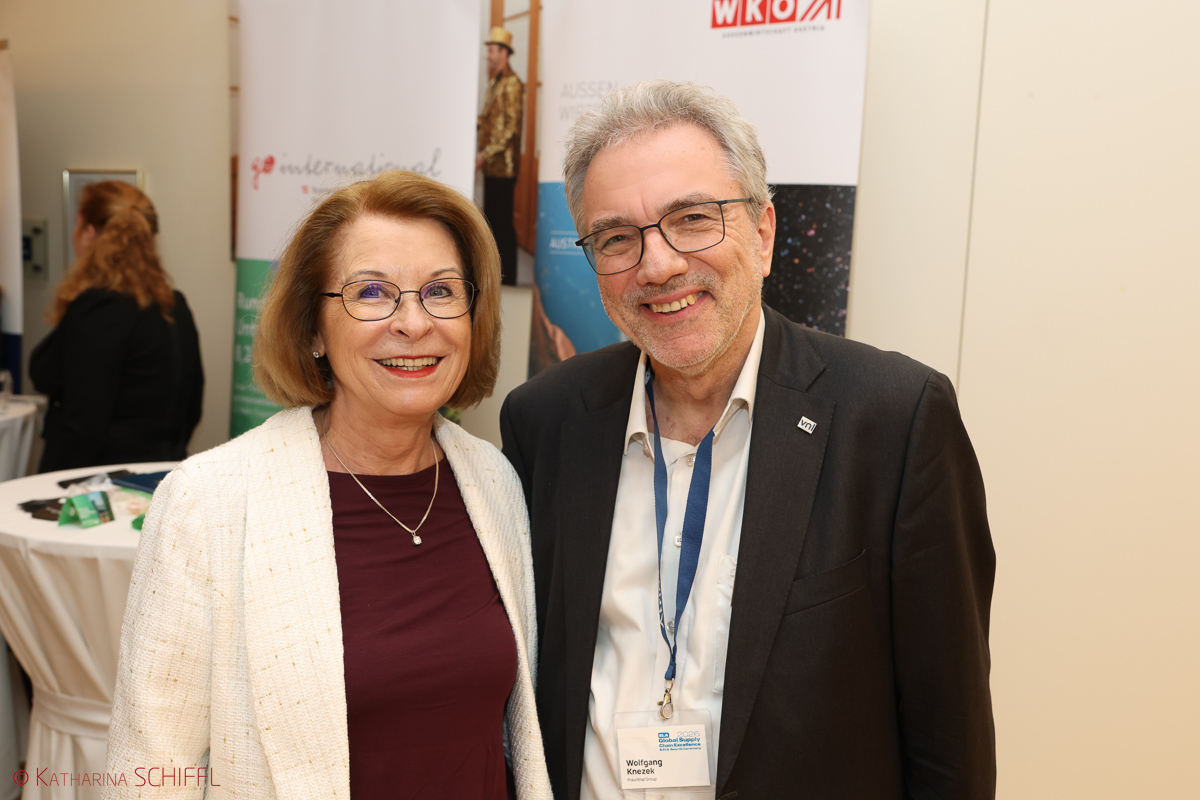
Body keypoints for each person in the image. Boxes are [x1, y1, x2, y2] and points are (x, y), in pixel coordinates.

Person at [500, 81, 996, 799]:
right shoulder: (545, 421)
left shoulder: (893, 420)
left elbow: (949, 742)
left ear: (762, 234)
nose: (658, 265)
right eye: (617, 238)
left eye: (692, 219)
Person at [105, 171, 552, 799]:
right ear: (313, 329)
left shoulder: (494, 482)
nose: (413, 322)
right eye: (371, 292)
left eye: (440, 291)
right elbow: (149, 771)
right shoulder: (209, 503)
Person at [30, 180, 203, 472]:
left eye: (77, 225)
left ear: (89, 233)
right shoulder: (175, 307)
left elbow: (83, 427)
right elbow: (191, 405)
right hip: (163, 476)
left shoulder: (97, 309)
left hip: (99, 484)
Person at [476, 25, 524, 286]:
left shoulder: (512, 84)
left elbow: (511, 130)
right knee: (492, 224)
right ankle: (497, 278)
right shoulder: (494, 83)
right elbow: (488, 120)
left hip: (503, 168)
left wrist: (486, 154)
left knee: (502, 225)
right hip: (491, 167)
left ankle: (509, 280)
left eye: (492, 50)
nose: (488, 55)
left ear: (504, 53)